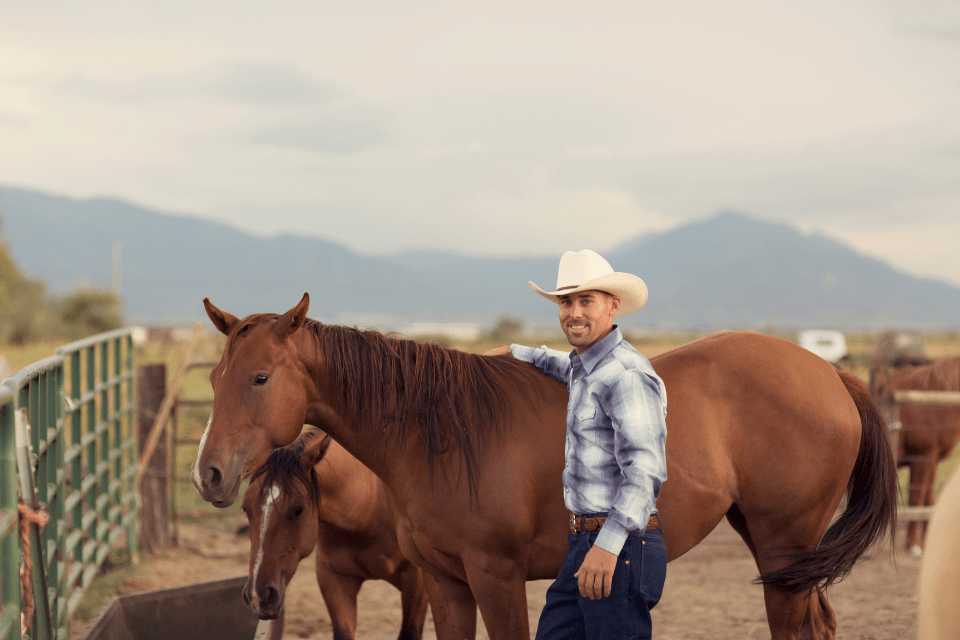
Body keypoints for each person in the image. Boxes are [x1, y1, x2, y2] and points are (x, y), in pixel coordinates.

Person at [489, 249, 668, 639]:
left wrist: (607, 547)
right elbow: (560, 363)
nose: (574, 312)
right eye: (566, 302)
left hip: (618, 545)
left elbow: (645, 470)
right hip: (584, 543)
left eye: (586, 301)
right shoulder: (585, 367)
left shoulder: (626, 374)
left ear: (613, 306)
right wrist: (512, 353)